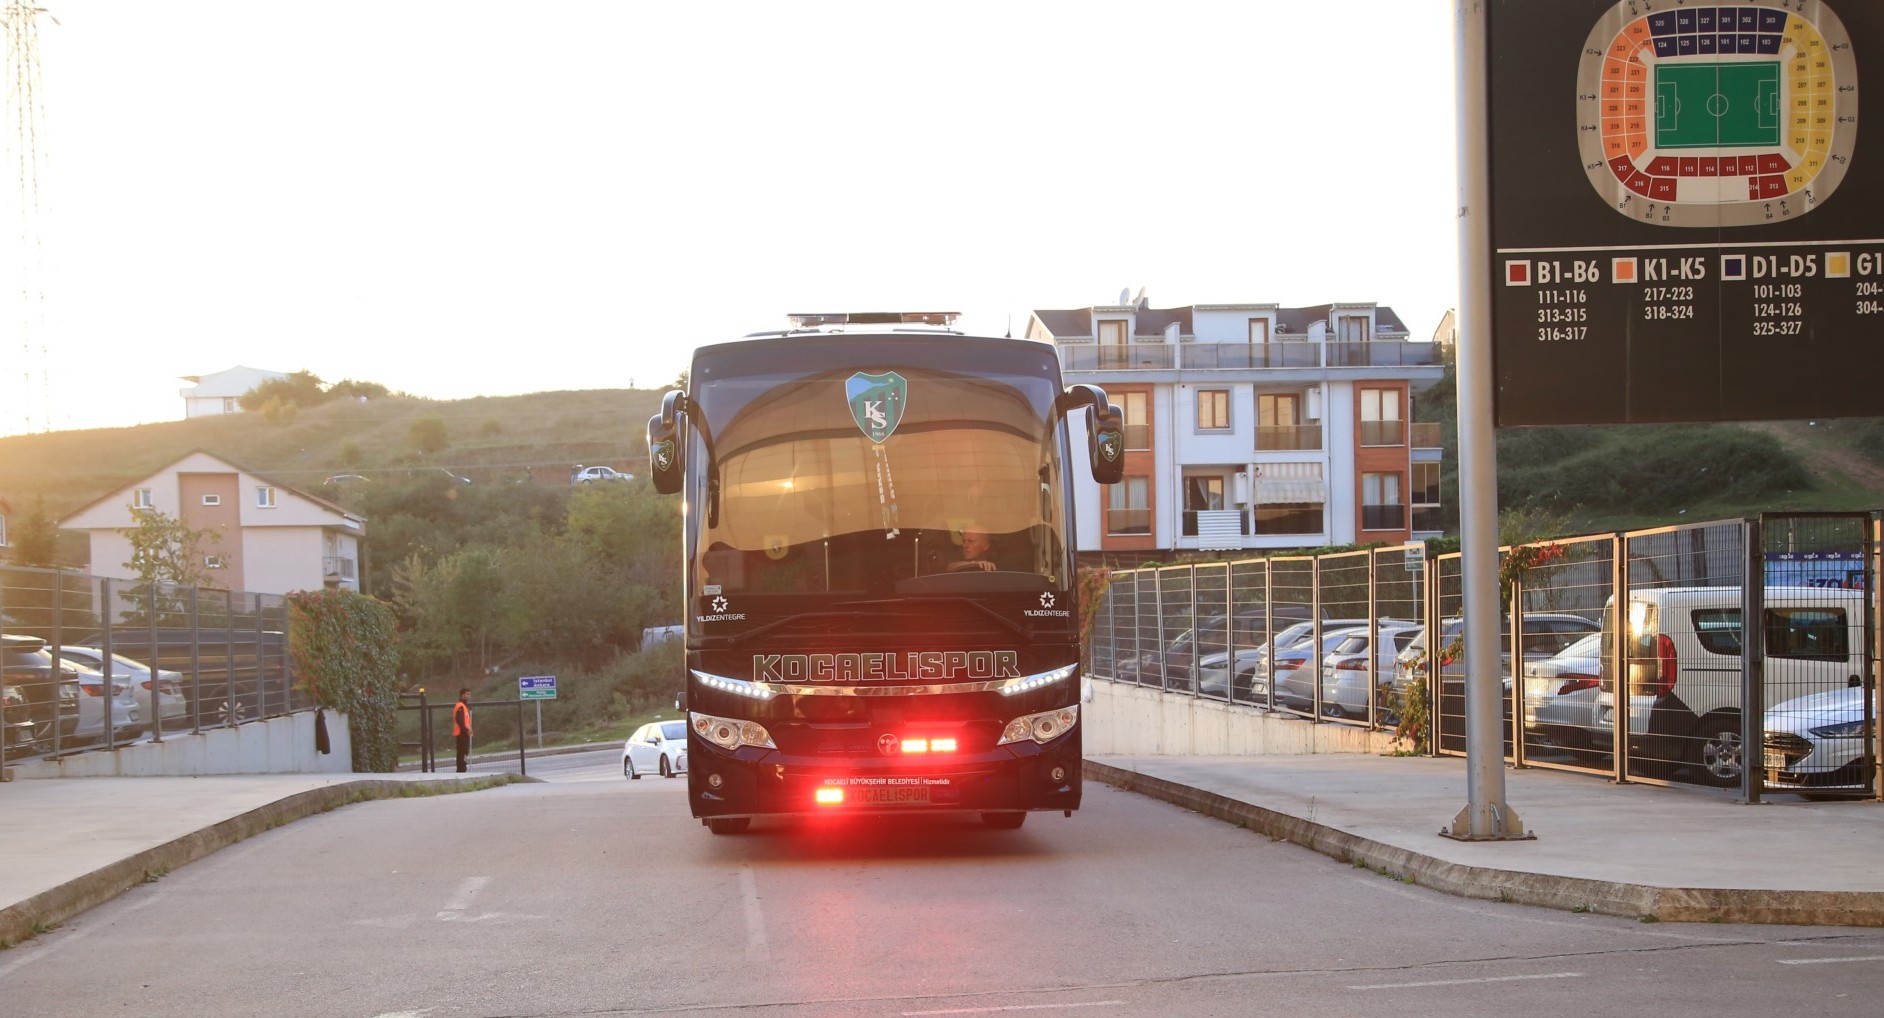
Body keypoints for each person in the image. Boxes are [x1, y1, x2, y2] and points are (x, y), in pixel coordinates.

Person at [452, 688, 473, 772]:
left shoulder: (464, 706)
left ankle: (462, 768)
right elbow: (459, 720)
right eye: (467, 694)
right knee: (462, 752)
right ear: (462, 695)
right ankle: (461, 769)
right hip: (461, 733)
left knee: (463, 752)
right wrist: (466, 730)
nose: (469, 696)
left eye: (469, 694)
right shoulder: (460, 706)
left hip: (464, 733)